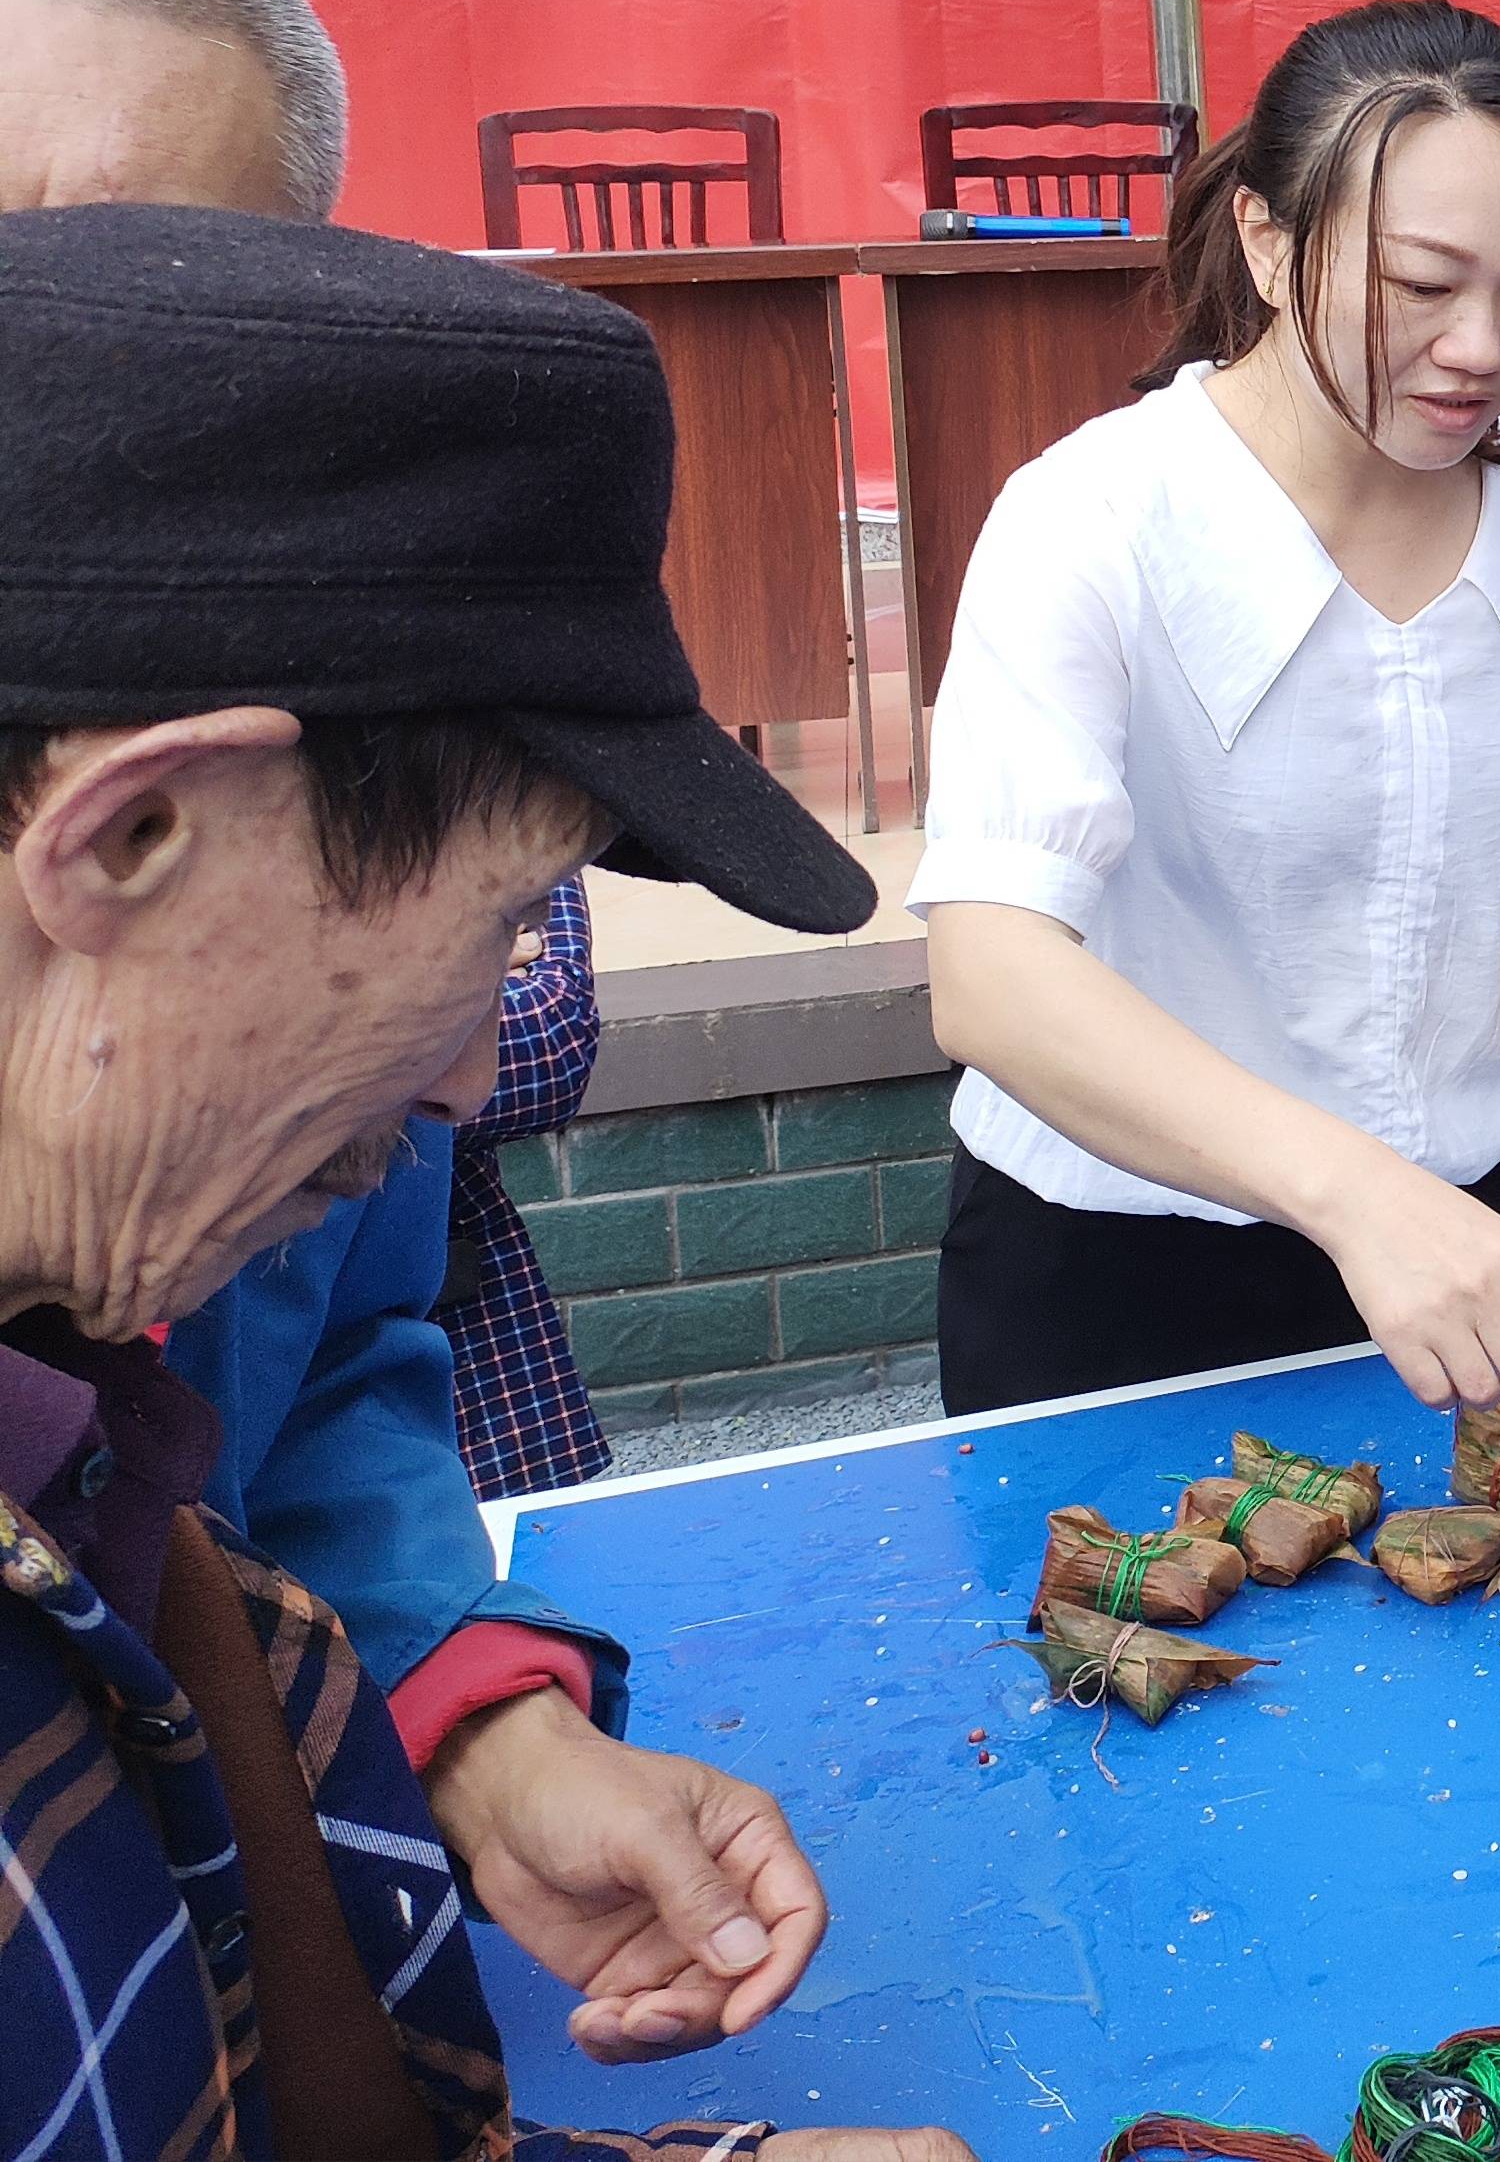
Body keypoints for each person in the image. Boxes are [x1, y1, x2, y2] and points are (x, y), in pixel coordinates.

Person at [0, 198, 954, 2162]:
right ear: (135, 832)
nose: (465, 1079)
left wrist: (482, 1725)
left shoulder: (90, 1429)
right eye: (503, 918)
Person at [916, 0, 1500, 1414]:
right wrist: (1354, 1196)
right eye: (1422, 284)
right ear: (1268, 244)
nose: (1483, 347)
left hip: (1493, 1224)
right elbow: (990, 970)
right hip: (1130, 1262)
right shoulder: (1091, 517)